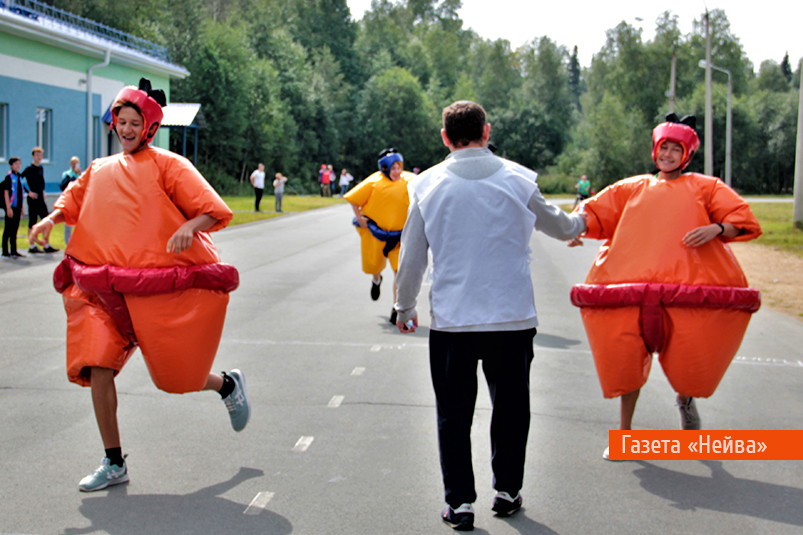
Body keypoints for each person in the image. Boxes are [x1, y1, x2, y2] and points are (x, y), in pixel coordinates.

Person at [29, 78, 251, 492]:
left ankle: (226, 384)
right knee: (98, 365)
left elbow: (213, 210)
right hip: (102, 288)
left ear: (149, 127)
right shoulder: (99, 169)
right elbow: (72, 200)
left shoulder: (169, 165)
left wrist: (189, 226)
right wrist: (49, 219)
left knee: (177, 379)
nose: (127, 129)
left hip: (157, 292)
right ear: (114, 123)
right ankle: (114, 462)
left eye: (135, 123)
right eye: (122, 121)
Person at [394, 101, 586, 531]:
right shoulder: (518, 179)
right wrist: (585, 221)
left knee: (453, 414)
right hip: (510, 317)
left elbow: (412, 257)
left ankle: (460, 502)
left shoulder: (426, 185)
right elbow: (560, 226)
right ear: (487, 131)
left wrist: (405, 306)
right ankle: (508, 490)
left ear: (445, 137)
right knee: (512, 409)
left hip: (453, 320)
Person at [568, 114, 762, 460]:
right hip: (631, 290)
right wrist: (575, 229)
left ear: (687, 155)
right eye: (664, 148)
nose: (668, 155)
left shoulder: (705, 188)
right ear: (655, 150)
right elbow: (594, 213)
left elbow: (740, 220)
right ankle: (624, 435)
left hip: (686, 293)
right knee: (626, 362)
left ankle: (685, 399)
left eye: (676, 149)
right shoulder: (632, 188)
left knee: (690, 360)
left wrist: (717, 229)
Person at [345, 148, 415, 324]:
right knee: (374, 267)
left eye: (399, 167)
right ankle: (377, 280)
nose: (397, 172)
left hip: (399, 236)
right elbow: (354, 199)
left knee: (400, 272)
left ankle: (397, 308)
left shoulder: (410, 181)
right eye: (393, 168)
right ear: (385, 168)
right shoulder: (374, 182)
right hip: (376, 234)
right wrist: (359, 218)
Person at [22, 146, 58, 254]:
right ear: (33, 156)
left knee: (46, 220)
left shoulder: (41, 168)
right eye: (37, 155)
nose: (39, 157)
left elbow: (41, 181)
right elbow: (19, 180)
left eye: (41, 155)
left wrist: (43, 191)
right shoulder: (29, 169)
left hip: (40, 198)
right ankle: (32, 245)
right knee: (32, 221)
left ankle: (46, 244)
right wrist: (28, 192)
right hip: (33, 198)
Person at [2, 157, 28, 258]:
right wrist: (8, 208)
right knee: (8, 229)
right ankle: (5, 251)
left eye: (19, 164)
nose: (18, 166)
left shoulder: (19, 177)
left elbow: (21, 192)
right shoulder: (9, 177)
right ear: (11, 165)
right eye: (16, 164)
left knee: (15, 229)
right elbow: (6, 193)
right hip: (11, 206)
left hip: (18, 206)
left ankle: (14, 250)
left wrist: (22, 207)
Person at [59, 156, 82, 244]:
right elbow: (64, 185)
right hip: (69, 199)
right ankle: (67, 242)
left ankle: (78, 241)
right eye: (73, 163)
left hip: (78, 200)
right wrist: (73, 176)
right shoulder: (67, 174)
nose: (74, 164)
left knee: (79, 222)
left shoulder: (81, 174)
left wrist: (79, 174)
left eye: (76, 163)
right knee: (68, 221)